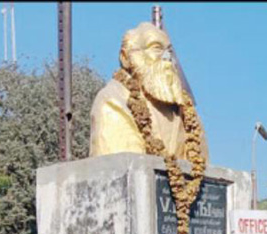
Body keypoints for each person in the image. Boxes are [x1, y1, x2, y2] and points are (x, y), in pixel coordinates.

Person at [89, 22, 209, 160]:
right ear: (125, 57)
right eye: (156, 48)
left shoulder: (186, 113)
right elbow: (124, 167)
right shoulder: (113, 100)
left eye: (169, 51)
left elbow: (201, 168)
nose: (167, 57)